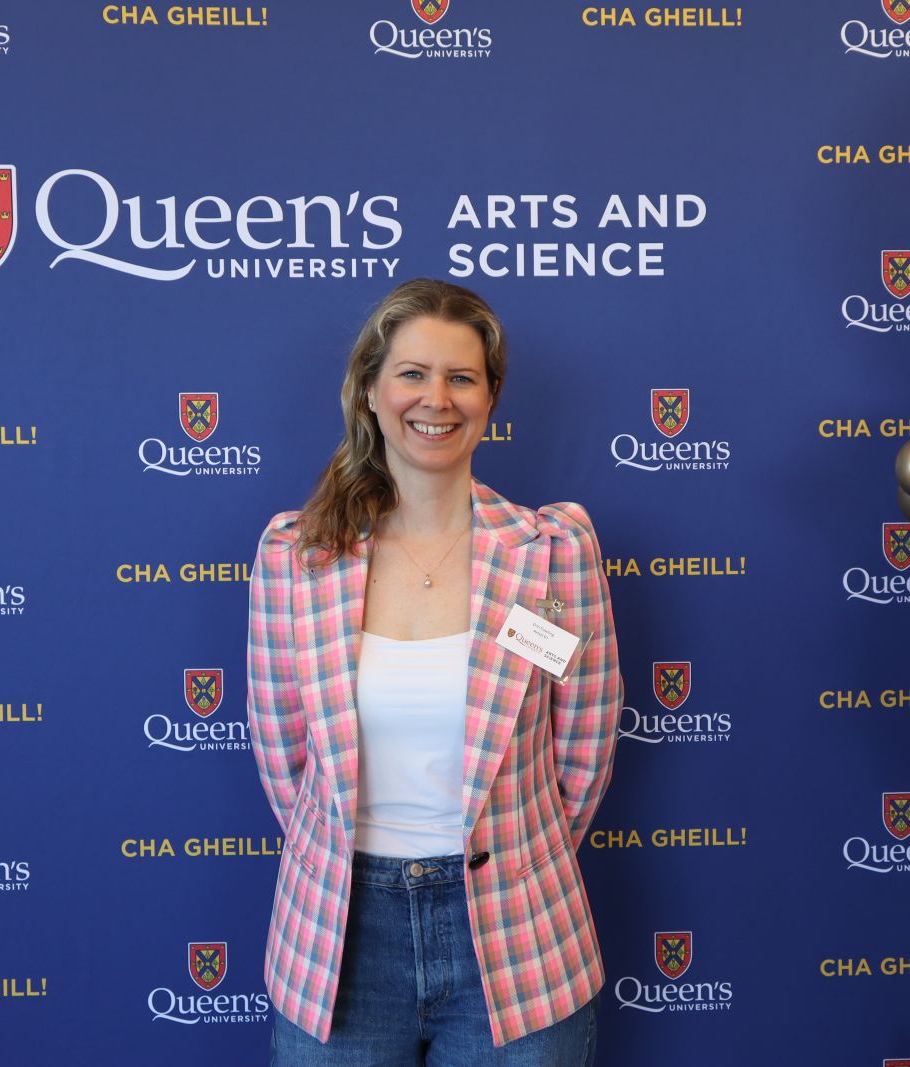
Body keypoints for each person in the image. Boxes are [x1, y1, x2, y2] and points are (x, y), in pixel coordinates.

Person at [247, 278, 622, 1065]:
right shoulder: (295, 556)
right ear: (371, 391)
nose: (436, 399)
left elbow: (582, 753)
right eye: (413, 373)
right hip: (340, 938)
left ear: (490, 398)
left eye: (462, 377)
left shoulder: (555, 552)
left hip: (522, 935)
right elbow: (286, 760)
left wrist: (516, 852)